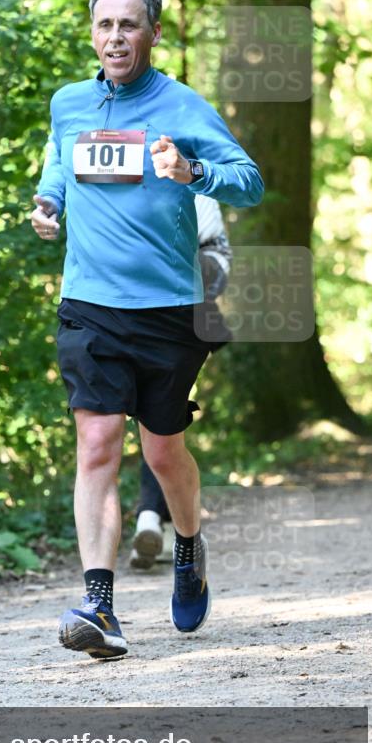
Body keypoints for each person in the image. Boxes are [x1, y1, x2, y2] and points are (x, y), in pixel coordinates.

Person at [30, 0, 263, 660]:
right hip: (89, 304)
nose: (115, 37)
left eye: (129, 25)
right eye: (104, 25)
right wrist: (49, 202)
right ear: (92, 33)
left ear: (153, 33)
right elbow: (59, 158)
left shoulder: (181, 105)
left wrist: (193, 172)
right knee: (97, 442)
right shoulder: (69, 103)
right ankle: (99, 606)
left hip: (167, 309)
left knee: (162, 451)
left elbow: (248, 181)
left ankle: (188, 546)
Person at [131, 194, 233, 569]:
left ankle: (151, 517)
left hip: (174, 316)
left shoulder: (194, 181)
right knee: (156, 423)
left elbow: (213, 258)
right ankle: (155, 519)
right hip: (130, 313)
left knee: (156, 421)